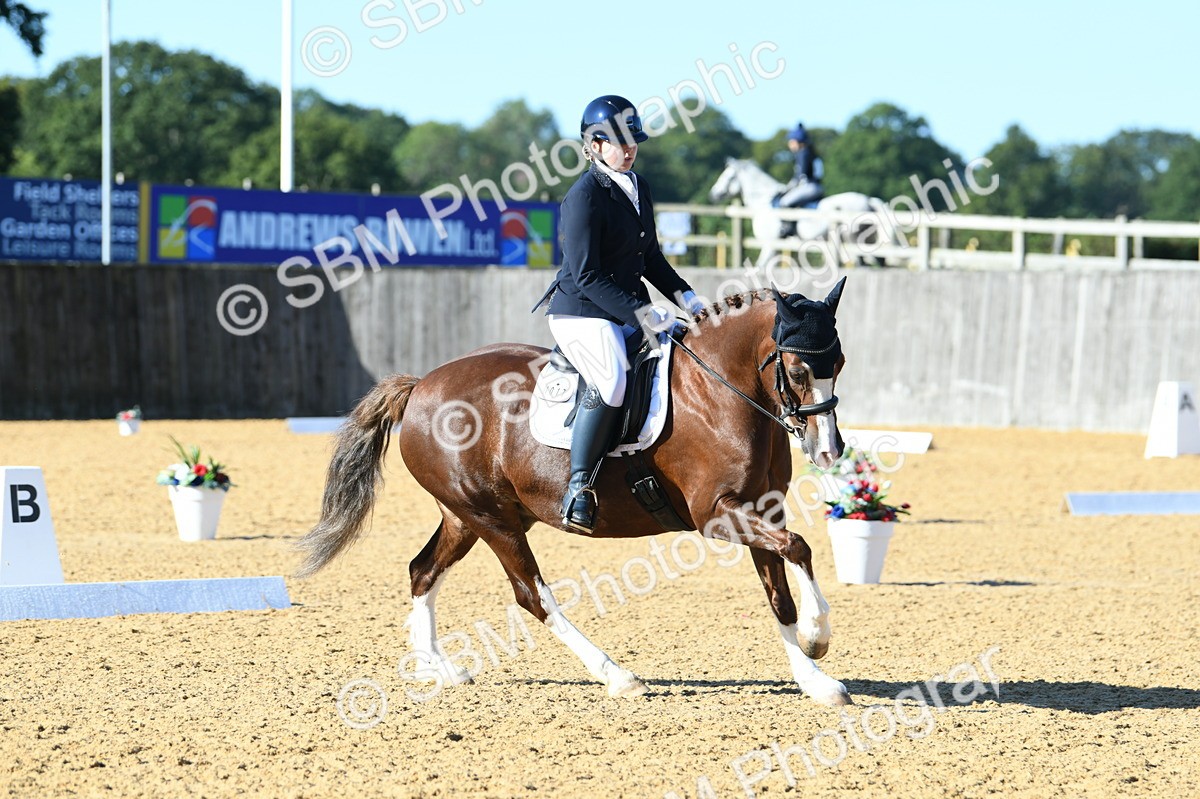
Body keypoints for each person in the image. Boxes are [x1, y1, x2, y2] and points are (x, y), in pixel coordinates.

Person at [532, 94, 707, 533]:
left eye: (633, 141)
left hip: (624, 311)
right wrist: (645, 314)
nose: (628, 149)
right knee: (611, 380)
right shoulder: (583, 197)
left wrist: (688, 299)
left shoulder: (638, 186)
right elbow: (588, 275)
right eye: (616, 142)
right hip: (582, 313)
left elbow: (649, 258)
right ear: (593, 145)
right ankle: (578, 487)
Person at [773, 122, 824, 209]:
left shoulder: (803, 153)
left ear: (798, 142)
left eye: (792, 142)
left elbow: (801, 177)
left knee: (783, 202)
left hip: (809, 186)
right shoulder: (810, 152)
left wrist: (787, 187)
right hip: (816, 186)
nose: (790, 144)